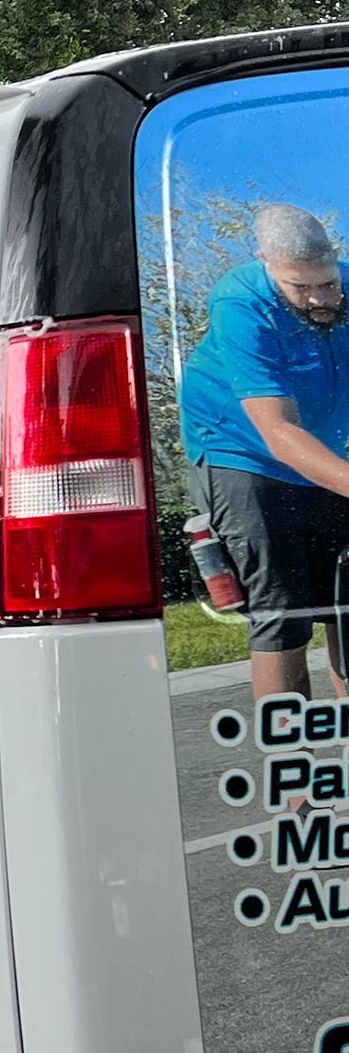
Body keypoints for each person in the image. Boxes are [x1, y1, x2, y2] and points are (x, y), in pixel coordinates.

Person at [178, 203, 349, 702]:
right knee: (284, 612)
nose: (320, 298)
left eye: (328, 283)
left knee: (346, 603)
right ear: (267, 262)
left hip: (322, 453)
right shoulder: (241, 301)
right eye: (302, 288)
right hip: (243, 454)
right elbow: (276, 431)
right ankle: (292, 773)